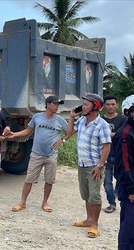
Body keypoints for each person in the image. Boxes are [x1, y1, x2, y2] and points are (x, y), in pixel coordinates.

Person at [8, 95, 69, 213]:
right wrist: (14, 134)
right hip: (36, 154)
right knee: (29, 179)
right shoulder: (37, 117)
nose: (57, 106)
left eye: (58, 104)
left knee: (49, 180)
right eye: (55, 104)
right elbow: (28, 130)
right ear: (48, 104)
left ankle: (45, 203)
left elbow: (71, 131)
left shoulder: (60, 120)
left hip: (51, 155)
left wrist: (63, 140)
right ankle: (22, 202)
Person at [67, 93, 111, 238]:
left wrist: (100, 166)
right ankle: (88, 219)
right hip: (82, 164)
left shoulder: (102, 125)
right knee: (86, 195)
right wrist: (72, 117)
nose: (83, 106)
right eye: (83, 104)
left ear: (95, 107)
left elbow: (106, 147)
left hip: (94, 166)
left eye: (86, 104)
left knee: (95, 196)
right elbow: (69, 133)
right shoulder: (81, 121)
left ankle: (94, 224)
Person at [101, 96, 127, 213]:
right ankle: (112, 203)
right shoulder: (100, 120)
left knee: (121, 179)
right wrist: (114, 134)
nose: (110, 107)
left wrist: (106, 135)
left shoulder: (123, 119)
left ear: (117, 106)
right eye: (108, 104)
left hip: (120, 154)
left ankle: (122, 198)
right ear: (103, 106)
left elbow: (123, 135)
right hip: (104, 155)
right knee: (107, 182)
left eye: (112, 104)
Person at [113, 104, 134, 249]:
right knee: (130, 229)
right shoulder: (125, 134)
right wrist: (131, 190)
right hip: (130, 188)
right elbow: (124, 165)